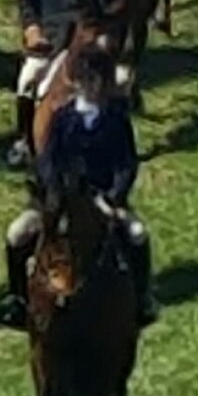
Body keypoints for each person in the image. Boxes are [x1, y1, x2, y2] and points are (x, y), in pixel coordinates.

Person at [10, 0, 143, 166]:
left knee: (118, 84)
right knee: (28, 79)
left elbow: (113, 1)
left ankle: (118, 144)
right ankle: (24, 139)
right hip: (53, 38)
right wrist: (32, 29)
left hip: (90, 40)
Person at [37, 46, 158, 324]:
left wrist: (115, 197)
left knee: (138, 234)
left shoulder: (116, 119)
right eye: (86, 79)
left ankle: (142, 298)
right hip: (63, 196)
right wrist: (54, 191)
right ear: (77, 81)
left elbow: (126, 163)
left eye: (97, 79)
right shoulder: (62, 117)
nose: (91, 86)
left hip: (103, 197)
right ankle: (17, 299)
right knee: (18, 234)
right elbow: (47, 159)